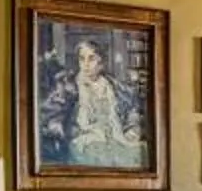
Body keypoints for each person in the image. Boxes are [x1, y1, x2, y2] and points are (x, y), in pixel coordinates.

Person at [58, 38, 146, 168]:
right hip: (86, 139)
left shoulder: (117, 88)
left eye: (91, 59)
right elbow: (54, 115)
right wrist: (69, 131)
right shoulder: (69, 87)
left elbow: (133, 111)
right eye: (82, 59)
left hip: (117, 136)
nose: (86, 64)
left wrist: (132, 130)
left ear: (101, 63)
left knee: (141, 152)